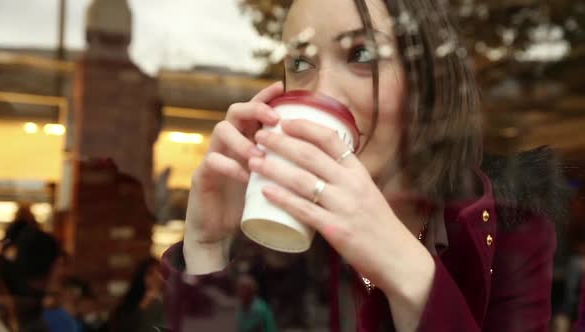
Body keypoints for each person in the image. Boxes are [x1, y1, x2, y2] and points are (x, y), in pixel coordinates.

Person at [161, 0, 570, 331]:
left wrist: (406, 272)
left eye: (362, 53)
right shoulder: (279, 237)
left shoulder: (512, 232)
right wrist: (206, 248)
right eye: (301, 63)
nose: (323, 93)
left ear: (427, 84)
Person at [108, 258, 165, 332]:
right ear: (141, 277)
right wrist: (145, 303)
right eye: (150, 273)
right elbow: (124, 326)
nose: (156, 278)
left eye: (159, 272)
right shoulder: (131, 301)